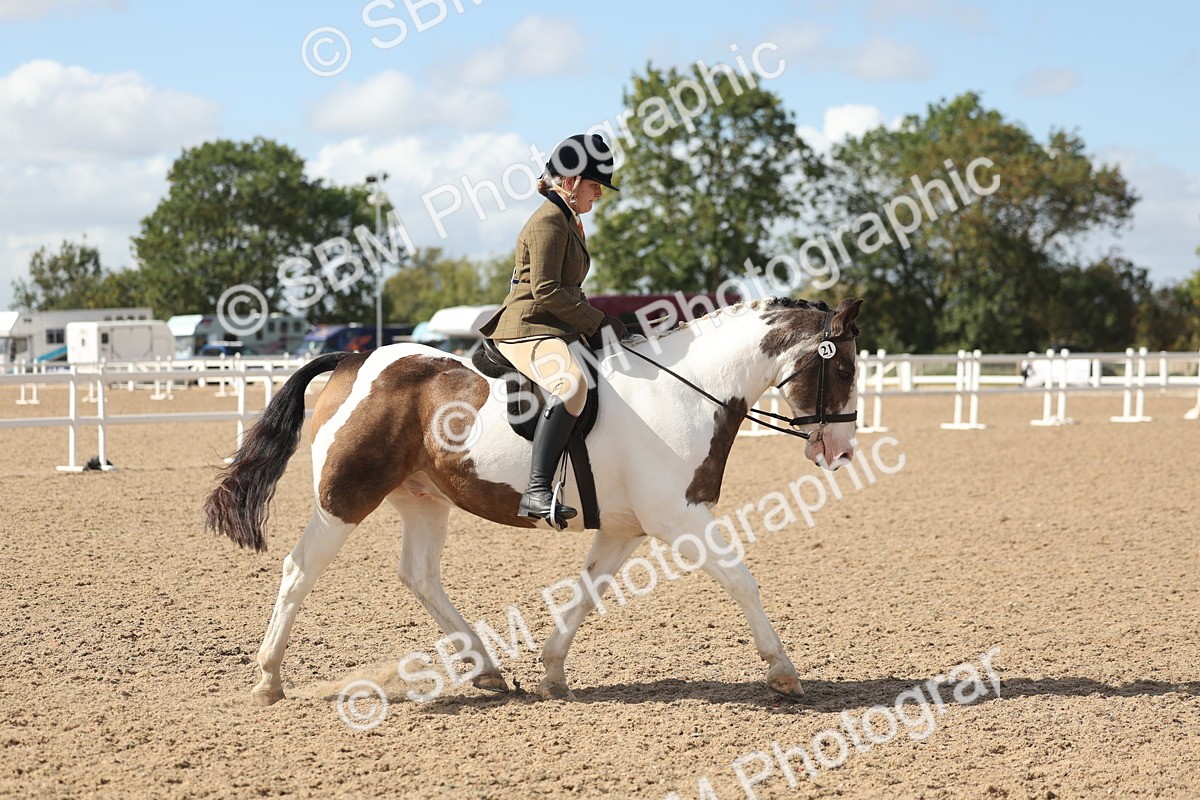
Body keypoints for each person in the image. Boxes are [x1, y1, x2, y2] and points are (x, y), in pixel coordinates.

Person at [479, 133, 629, 528]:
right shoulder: (549, 221)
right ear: (570, 181)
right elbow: (545, 290)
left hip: (554, 325)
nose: (599, 193)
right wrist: (596, 321)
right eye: (595, 184)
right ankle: (537, 489)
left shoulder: (568, 219)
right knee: (572, 385)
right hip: (527, 326)